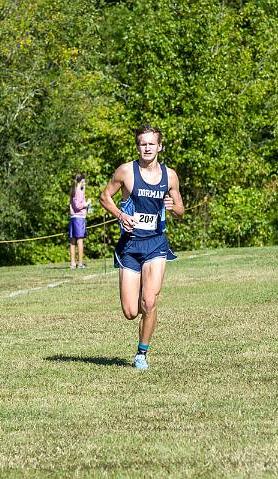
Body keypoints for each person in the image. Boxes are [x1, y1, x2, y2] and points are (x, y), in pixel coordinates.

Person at [99, 124, 184, 370]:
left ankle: (141, 354)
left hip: (156, 243)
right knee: (130, 311)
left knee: (149, 301)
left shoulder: (170, 176)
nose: (147, 148)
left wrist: (172, 207)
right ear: (138, 146)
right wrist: (120, 215)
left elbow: (180, 209)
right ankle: (141, 300)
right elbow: (105, 197)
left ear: (160, 146)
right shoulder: (126, 171)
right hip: (130, 246)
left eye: (151, 144)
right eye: (142, 144)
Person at [69, 173, 91, 268]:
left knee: (73, 240)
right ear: (81, 181)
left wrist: (84, 188)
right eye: (84, 181)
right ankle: (80, 263)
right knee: (80, 240)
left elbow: (71, 204)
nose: (85, 183)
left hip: (73, 218)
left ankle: (73, 263)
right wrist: (87, 204)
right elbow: (78, 205)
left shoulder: (73, 190)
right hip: (79, 218)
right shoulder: (79, 192)